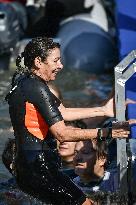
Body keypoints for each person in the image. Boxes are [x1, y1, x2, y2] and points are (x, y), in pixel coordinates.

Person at [5, 37, 129, 205]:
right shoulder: (37, 88)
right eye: (56, 60)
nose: (61, 65)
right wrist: (107, 132)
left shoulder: (24, 81)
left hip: (27, 167)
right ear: (38, 62)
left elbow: (62, 112)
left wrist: (103, 110)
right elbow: (62, 134)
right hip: (40, 168)